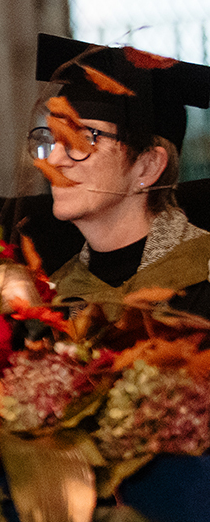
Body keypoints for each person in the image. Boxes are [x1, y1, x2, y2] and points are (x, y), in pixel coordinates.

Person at [33, 34, 210, 317]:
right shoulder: (55, 301)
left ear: (148, 166)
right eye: (52, 140)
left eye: (82, 139)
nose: (53, 160)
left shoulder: (203, 282)